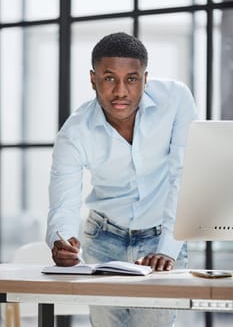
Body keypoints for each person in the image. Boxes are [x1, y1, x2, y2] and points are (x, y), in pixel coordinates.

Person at [46, 32, 197, 327]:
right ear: (93, 79)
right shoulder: (74, 133)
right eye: (109, 78)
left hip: (161, 237)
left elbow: (184, 175)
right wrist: (60, 240)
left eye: (131, 79)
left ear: (144, 78)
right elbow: (64, 200)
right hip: (103, 239)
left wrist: (167, 248)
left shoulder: (176, 99)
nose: (120, 91)